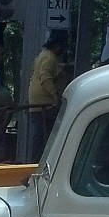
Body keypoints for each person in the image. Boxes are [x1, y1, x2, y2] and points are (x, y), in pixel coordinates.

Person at [27, 31, 67, 161]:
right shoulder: (50, 58)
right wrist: (55, 95)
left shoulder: (43, 55)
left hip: (38, 102)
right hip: (45, 103)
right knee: (45, 136)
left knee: (41, 134)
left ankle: (39, 160)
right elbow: (45, 76)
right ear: (58, 45)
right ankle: (39, 162)